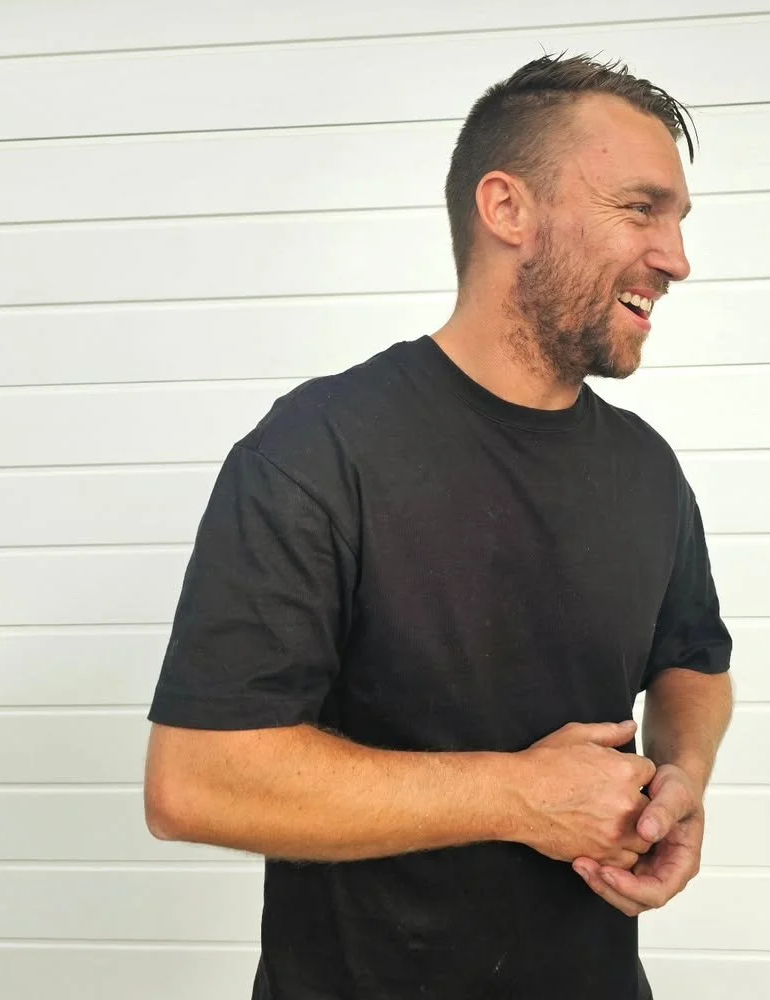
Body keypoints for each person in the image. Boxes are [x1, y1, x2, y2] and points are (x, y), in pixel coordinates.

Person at [144, 53, 735, 1000]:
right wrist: (517, 796)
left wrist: (683, 778)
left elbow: (694, 661)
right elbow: (196, 781)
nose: (675, 257)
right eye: (640, 209)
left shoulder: (645, 468)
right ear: (507, 210)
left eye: (677, 221)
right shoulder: (319, 450)